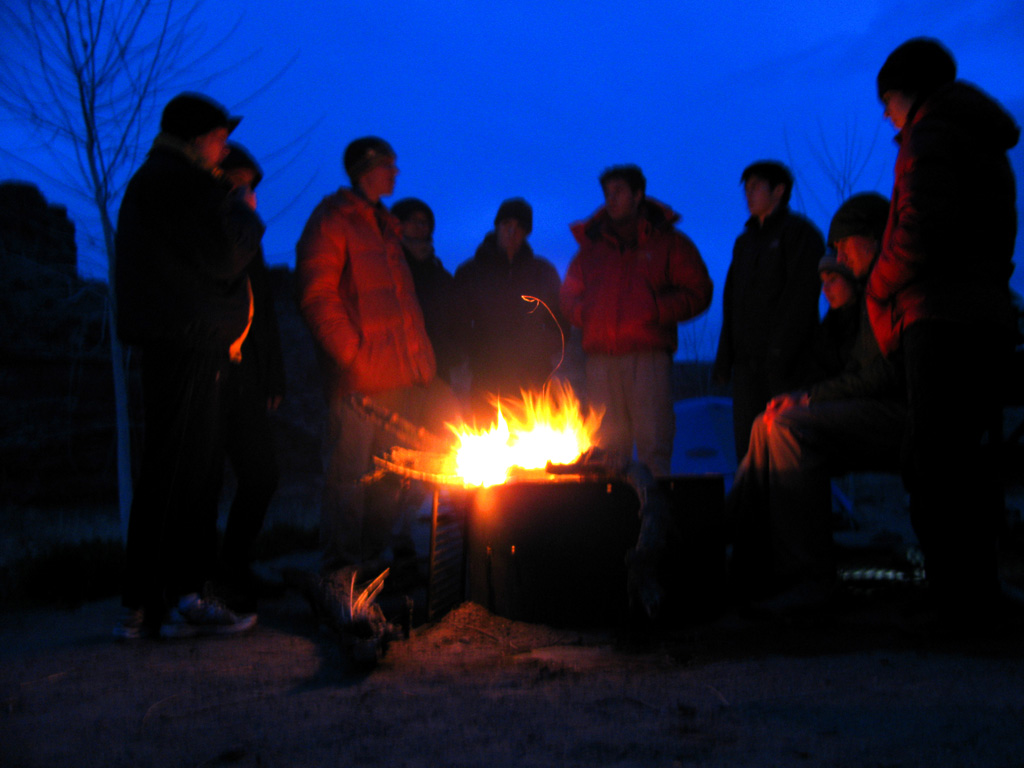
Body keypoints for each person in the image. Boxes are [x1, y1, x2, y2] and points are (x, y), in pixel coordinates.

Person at [868, 38, 1020, 622]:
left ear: (909, 93)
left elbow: (918, 232)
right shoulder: (981, 140)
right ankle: (975, 589)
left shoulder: (931, 139)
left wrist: (880, 285)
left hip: (940, 319)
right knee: (967, 459)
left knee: (933, 460)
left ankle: (952, 599)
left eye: (888, 100)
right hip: (983, 316)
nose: (886, 114)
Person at [113, 93, 264, 639]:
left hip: (172, 340)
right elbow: (229, 250)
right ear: (199, 136)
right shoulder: (183, 185)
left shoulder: (150, 182)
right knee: (188, 472)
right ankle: (181, 600)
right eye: (220, 137)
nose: (224, 149)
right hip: (192, 343)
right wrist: (241, 206)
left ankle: (143, 604)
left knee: (166, 467)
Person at [727, 192, 901, 610]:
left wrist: (809, 397)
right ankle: (747, 556)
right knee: (766, 421)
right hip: (869, 406)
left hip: (898, 412)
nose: (838, 254)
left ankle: (808, 577)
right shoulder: (853, 309)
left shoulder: (885, 293)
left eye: (843, 246)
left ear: (873, 238)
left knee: (787, 426)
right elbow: (831, 371)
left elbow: (879, 376)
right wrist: (792, 393)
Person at [296, 137, 457, 574]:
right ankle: (341, 574)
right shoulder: (333, 220)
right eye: (389, 165)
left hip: (401, 380)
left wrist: (419, 363)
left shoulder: (385, 228)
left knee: (389, 479)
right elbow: (317, 295)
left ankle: (371, 566)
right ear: (368, 169)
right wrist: (353, 356)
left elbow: (402, 307)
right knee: (348, 480)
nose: (396, 173)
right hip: (361, 382)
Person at [561, 164, 713, 476]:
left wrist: (655, 311)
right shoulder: (592, 250)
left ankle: (655, 518)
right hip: (600, 361)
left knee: (652, 444)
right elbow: (568, 295)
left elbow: (699, 291)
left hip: (647, 359)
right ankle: (613, 519)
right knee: (605, 450)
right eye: (607, 193)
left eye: (618, 192)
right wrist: (586, 315)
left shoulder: (668, 243)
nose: (610, 199)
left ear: (638, 194)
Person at [211, 142, 287, 616]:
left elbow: (263, 314)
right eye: (237, 184)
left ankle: (234, 563)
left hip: (247, 377)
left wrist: (273, 373)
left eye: (252, 186)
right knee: (201, 478)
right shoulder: (213, 233)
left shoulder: (248, 237)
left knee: (261, 474)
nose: (248, 193)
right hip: (209, 371)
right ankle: (202, 578)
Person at [713, 160, 826, 460]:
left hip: (788, 366)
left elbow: (801, 297)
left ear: (779, 190)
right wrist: (725, 358)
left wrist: (781, 352)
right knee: (749, 447)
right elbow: (732, 301)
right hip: (747, 367)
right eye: (745, 189)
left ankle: (795, 506)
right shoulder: (744, 243)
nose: (748, 195)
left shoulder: (800, 235)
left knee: (788, 446)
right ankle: (752, 506)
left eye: (755, 188)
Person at [453, 197, 563, 423]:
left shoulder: (542, 272)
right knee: (487, 441)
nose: (512, 232)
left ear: (527, 232)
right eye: (506, 225)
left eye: (519, 227)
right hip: (487, 374)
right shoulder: (471, 272)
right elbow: (457, 321)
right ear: (497, 226)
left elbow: (560, 319)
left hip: (533, 374)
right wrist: (476, 349)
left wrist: (543, 345)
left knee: (533, 445)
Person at [390, 197, 464, 386]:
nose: (420, 226)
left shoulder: (440, 276)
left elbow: (457, 319)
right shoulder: (386, 270)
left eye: (424, 222)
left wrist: (454, 353)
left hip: (438, 369)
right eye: (412, 220)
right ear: (398, 225)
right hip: (395, 370)